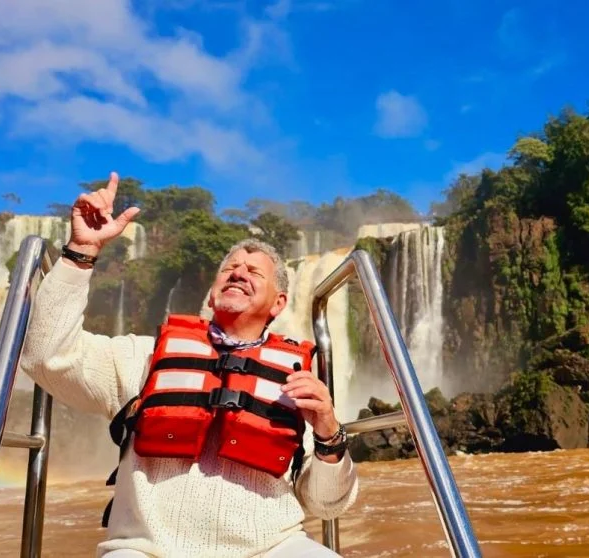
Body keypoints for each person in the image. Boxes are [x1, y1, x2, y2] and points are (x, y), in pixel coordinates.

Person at [18, 173, 359, 558]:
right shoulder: (143, 357)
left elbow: (326, 505)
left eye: (253, 272)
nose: (238, 273)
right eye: (229, 269)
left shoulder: (298, 384)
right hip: (145, 551)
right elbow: (45, 357)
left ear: (279, 303)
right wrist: (80, 253)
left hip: (272, 547)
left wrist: (329, 434)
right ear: (212, 295)